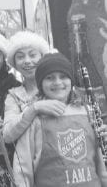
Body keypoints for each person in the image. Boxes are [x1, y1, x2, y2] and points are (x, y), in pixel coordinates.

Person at [13, 52, 107, 187]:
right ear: (40, 84)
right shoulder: (35, 116)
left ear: (71, 81)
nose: (57, 82)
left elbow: (100, 163)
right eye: (49, 78)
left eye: (63, 77)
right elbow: (22, 166)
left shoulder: (87, 112)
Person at [3, 30, 65, 143]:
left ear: (42, 57)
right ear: (14, 64)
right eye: (20, 57)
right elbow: (7, 135)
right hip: (29, 158)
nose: (27, 61)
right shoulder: (13, 96)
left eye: (32, 55)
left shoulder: (59, 86)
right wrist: (34, 108)